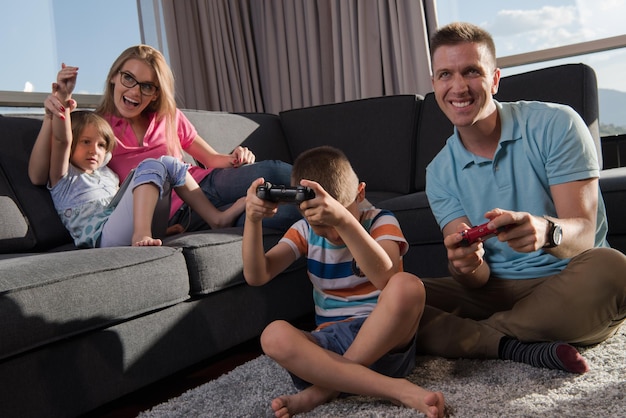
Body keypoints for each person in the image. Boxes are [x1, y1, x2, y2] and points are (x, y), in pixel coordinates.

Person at [419, 22, 626, 374]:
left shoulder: (556, 124)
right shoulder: (438, 172)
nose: (458, 87)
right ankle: (513, 340)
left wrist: (546, 232)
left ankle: (481, 338)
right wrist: (463, 264)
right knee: (394, 294)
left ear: (495, 79)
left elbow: (585, 234)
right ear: (435, 85)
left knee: (614, 268)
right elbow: (476, 278)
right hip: (492, 290)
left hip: (567, 278)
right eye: (445, 75)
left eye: (472, 71)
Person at [242, 146, 447, 418]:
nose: (332, 234)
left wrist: (344, 221)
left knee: (407, 286)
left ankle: (322, 391)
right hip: (329, 346)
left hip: (384, 343)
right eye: (320, 224)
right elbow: (258, 275)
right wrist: (252, 220)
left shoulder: (380, 220)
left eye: (336, 221)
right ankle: (392, 389)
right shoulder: (302, 231)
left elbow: (385, 277)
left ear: (360, 195)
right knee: (273, 335)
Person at [30, 44, 300, 233]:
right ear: (114, 77)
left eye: (147, 86)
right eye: (128, 78)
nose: (135, 91)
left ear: (156, 93)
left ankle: (339, 192)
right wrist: (55, 109)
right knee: (280, 215)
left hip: (208, 182)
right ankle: (333, 213)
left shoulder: (168, 116)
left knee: (274, 170)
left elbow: (212, 159)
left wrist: (237, 157)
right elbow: (42, 174)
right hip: (177, 213)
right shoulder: (96, 130)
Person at [31, 65, 242, 248]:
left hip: (127, 226)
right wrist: (63, 101)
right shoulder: (65, 178)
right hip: (103, 236)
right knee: (149, 165)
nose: (94, 150)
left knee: (169, 163)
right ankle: (141, 235)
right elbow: (61, 140)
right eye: (86, 142)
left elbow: (129, 206)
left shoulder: (107, 174)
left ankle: (216, 218)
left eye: (101, 145)